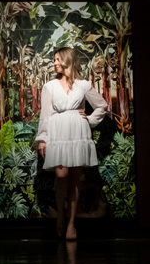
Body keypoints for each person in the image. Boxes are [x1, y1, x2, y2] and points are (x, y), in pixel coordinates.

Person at [34, 47, 108, 240]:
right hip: (58, 132)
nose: (55, 63)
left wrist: (90, 120)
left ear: (68, 60)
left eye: (58, 59)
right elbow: (46, 115)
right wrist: (43, 138)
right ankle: (61, 215)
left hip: (77, 131)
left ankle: (71, 224)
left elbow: (102, 106)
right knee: (61, 173)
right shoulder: (49, 86)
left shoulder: (83, 85)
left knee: (75, 177)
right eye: (54, 59)